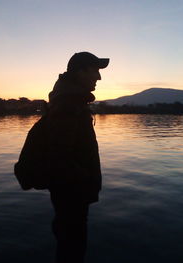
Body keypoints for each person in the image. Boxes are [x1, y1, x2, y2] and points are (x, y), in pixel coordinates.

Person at [46, 51, 109, 263]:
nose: (99, 77)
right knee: (72, 250)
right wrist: (82, 181)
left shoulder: (70, 101)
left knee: (68, 246)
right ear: (80, 72)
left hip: (70, 194)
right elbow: (58, 156)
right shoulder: (68, 106)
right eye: (95, 71)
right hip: (72, 195)